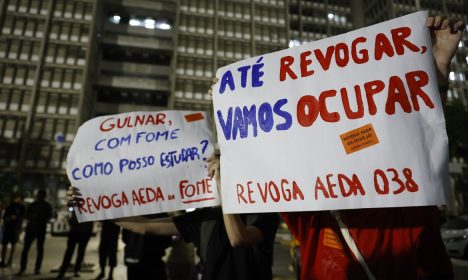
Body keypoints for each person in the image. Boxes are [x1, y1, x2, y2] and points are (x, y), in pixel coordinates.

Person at [279, 16, 465, 279]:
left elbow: (424, 138)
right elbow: (268, 165)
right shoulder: (313, 211)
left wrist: (436, 67)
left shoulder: (410, 208)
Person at [67, 157, 280, 280]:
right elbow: (146, 227)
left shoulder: (263, 213)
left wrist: (223, 186)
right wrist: (94, 207)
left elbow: (237, 238)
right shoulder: (206, 217)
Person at [122, 214, 172, 280]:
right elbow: (167, 241)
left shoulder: (132, 214)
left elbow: (125, 238)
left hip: (135, 264)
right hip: (154, 264)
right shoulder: (161, 214)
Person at [17, 189, 52, 275]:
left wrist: (39, 217)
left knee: (36, 249)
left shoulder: (44, 205)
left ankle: (33, 268)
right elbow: (27, 216)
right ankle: (26, 268)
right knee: (29, 249)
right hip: (33, 228)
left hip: (37, 229)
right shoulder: (35, 205)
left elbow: (49, 217)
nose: (40, 197)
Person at [56, 211, 94, 280]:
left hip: (79, 233)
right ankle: (71, 271)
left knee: (72, 252)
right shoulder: (83, 209)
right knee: (75, 252)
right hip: (79, 232)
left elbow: (71, 221)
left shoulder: (79, 209)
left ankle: (65, 271)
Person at [0, 193, 25, 268]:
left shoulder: (21, 207)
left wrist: (15, 218)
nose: (15, 199)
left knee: (13, 244)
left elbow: (22, 217)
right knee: (4, 244)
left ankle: (10, 260)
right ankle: (3, 260)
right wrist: (8, 218)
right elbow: (4, 217)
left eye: (16, 198)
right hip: (8, 228)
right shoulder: (10, 206)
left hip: (15, 228)